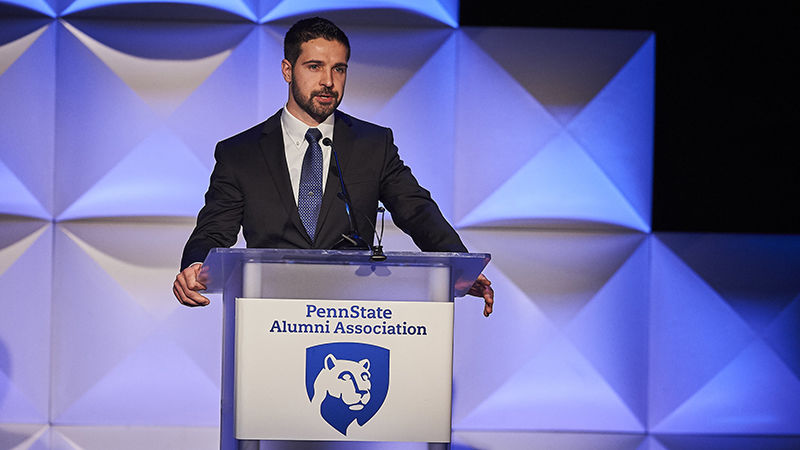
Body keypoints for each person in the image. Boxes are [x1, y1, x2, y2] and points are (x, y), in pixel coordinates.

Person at [172, 17, 494, 316]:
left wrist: (461, 266)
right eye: (315, 67)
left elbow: (417, 211)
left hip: (350, 318)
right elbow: (214, 230)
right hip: (268, 320)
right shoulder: (240, 153)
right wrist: (195, 265)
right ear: (287, 70)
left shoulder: (372, 145)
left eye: (339, 69)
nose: (328, 81)